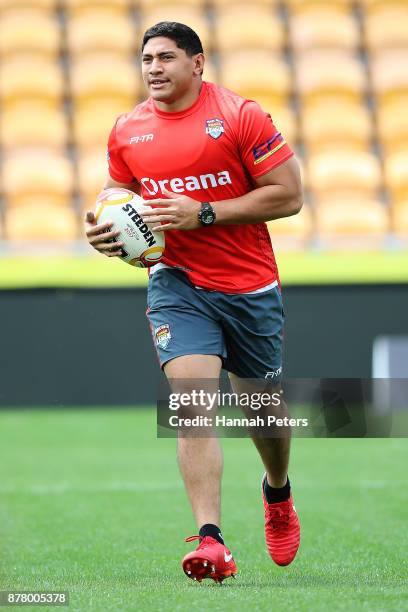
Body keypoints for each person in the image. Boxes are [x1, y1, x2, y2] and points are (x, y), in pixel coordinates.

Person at [85, 21, 303, 583]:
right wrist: (108, 237)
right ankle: (212, 541)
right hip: (177, 284)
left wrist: (203, 212)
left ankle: (277, 491)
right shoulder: (127, 130)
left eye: (166, 58)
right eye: (146, 59)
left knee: (263, 412)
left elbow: (289, 195)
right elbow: (119, 206)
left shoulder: (239, 115)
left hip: (248, 287)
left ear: (197, 64)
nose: (153, 68)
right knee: (191, 402)